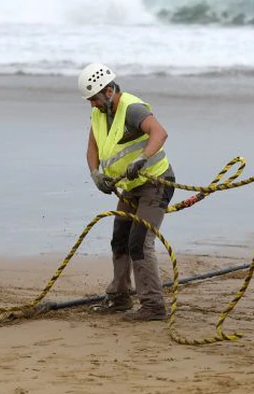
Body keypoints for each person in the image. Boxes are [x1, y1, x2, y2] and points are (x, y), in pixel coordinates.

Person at [80, 63, 175, 321]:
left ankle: (153, 306)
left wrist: (142, 159)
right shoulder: (99, 114)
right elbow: (93, 148)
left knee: (139, 243)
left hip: (156, 184)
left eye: (95, 99)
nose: (92, 105)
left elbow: (159, 133)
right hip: (129, 189)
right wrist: (95, 174)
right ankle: (120, 298)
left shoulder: (132, 109)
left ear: (109, 91)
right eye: (89, 100)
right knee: (120, 239)